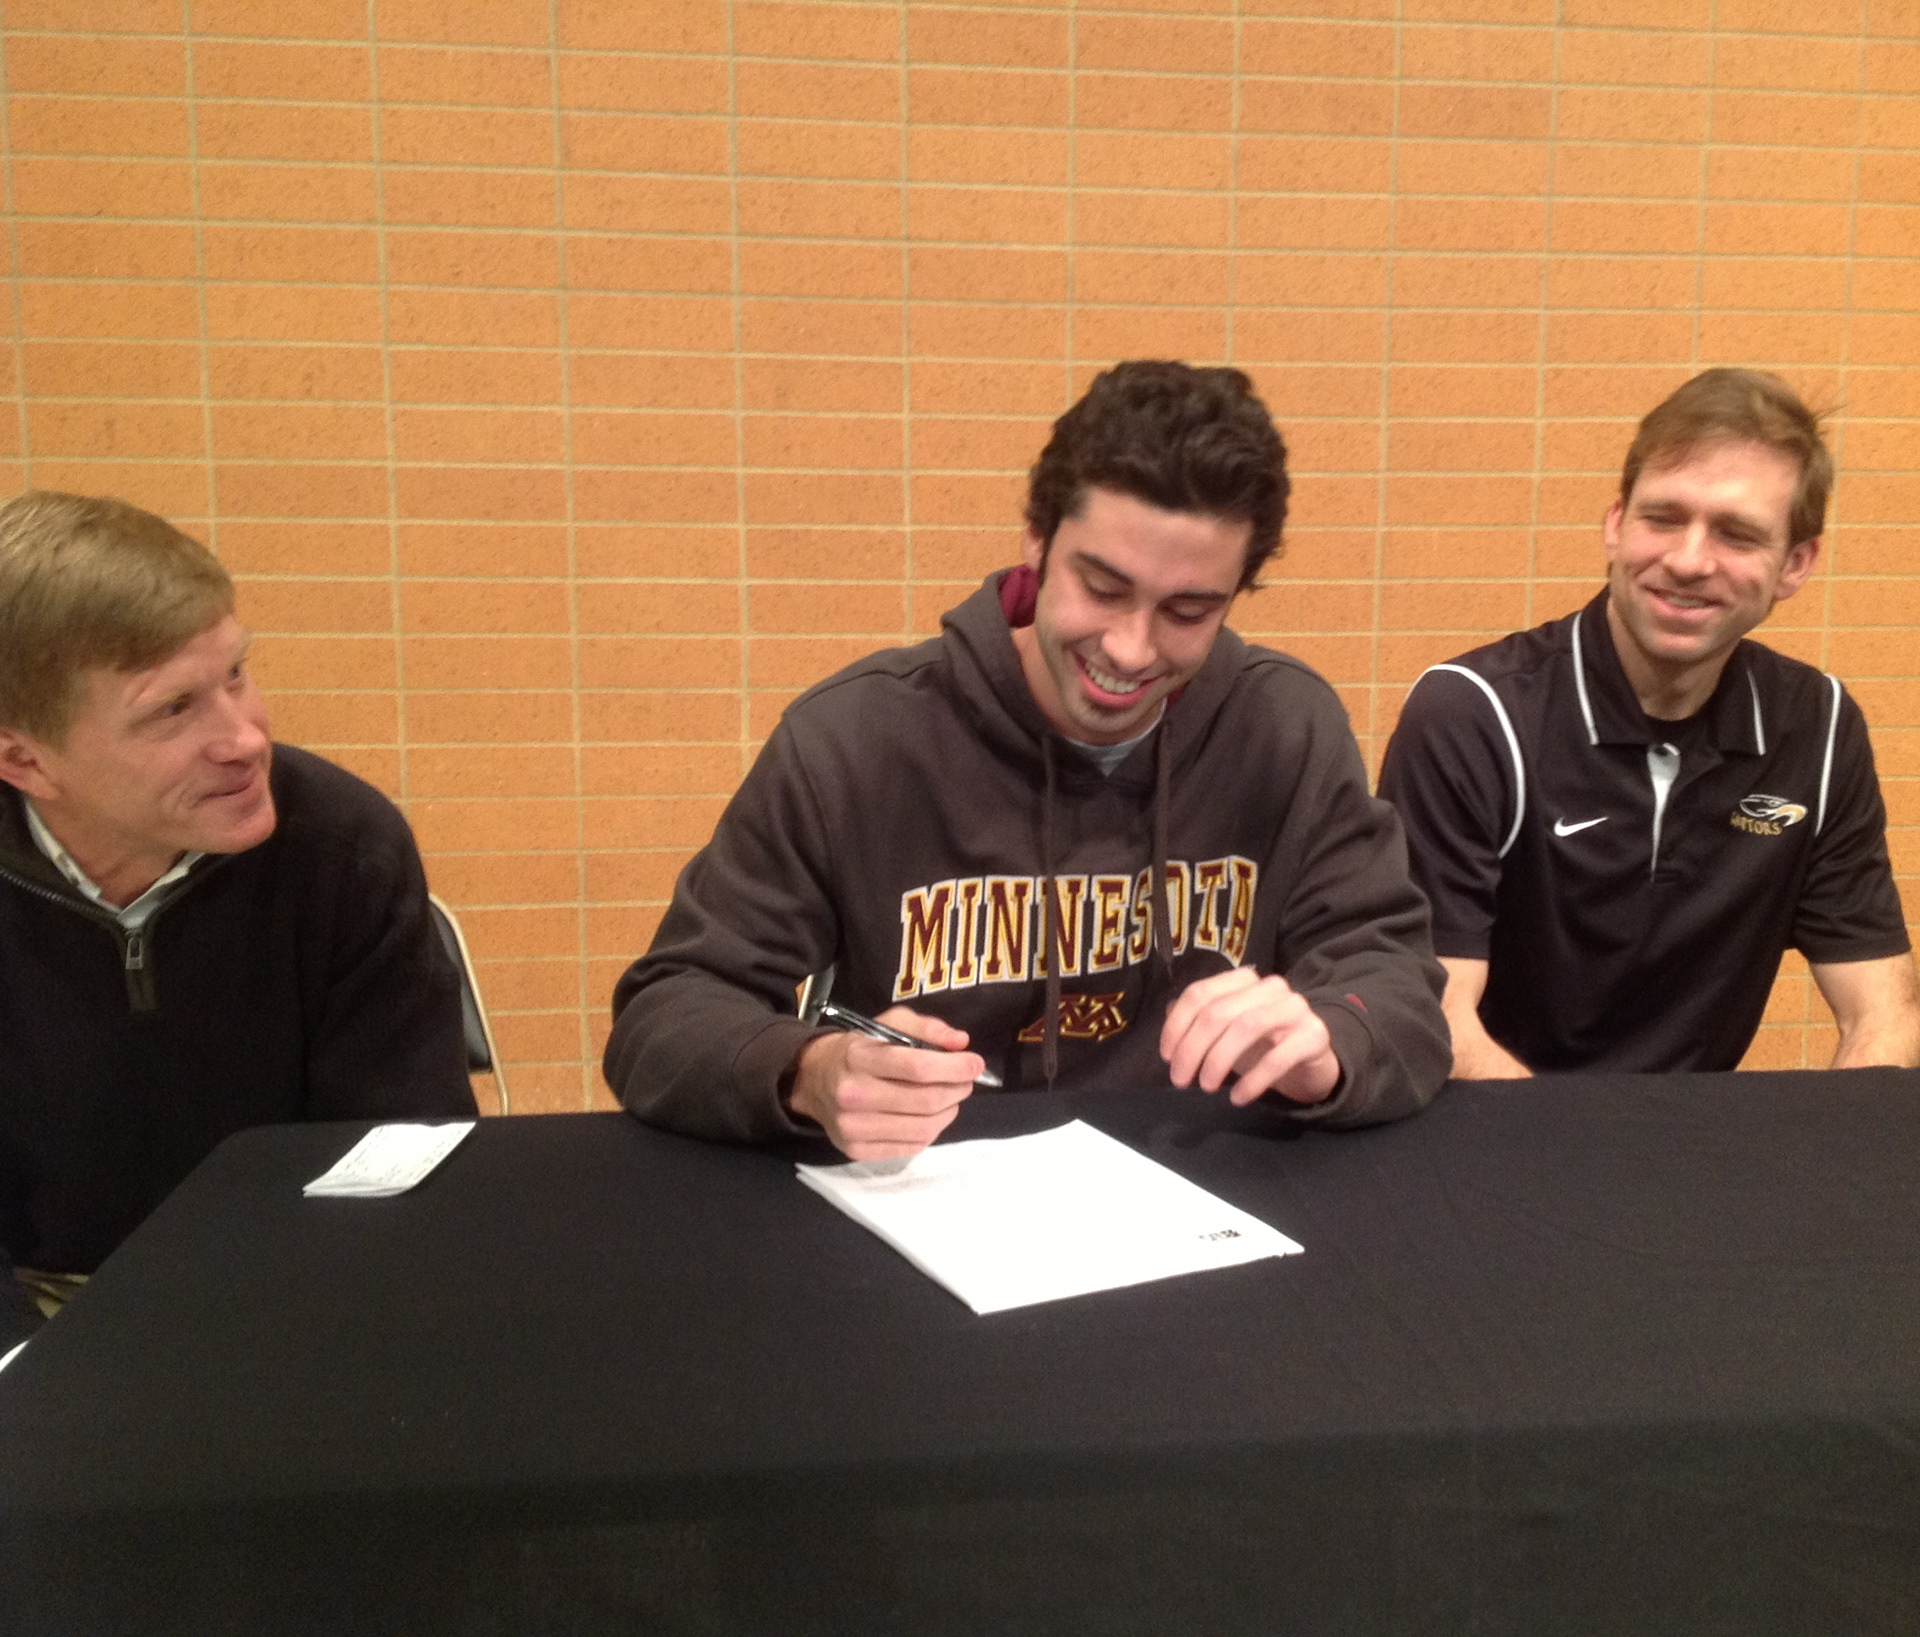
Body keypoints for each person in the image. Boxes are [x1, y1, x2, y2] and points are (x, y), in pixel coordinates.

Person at [606, 361, 1449, 1159]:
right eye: (1103, 588)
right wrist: (807, 1071)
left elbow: (1396, 986)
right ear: (1036, 542)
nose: (1131, 648)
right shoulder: (857, 739)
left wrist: (1334, 1039)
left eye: (1188, 610)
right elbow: (666, 1013)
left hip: (1204, 1194)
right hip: (926, 1193)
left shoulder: (1284, 729)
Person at [0, 492, 475, 1350]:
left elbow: (400, 1143)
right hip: (35, 1300)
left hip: (292, 1288)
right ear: (22, 759)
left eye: (235, 675)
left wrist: (317, 1336)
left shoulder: (344, 847)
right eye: (172, 710)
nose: (246, 739)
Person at [1378, 368, 1920, 1078]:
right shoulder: (1471, 714)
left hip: (1696, 1135)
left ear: (1796, 563)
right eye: (1663, 518)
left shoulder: (1818, 729)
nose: (1688, 560)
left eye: (1736, 534)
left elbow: (1884, 1014)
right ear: (1615, 525)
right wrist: (1587, 1152)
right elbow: (1436, 1020)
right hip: (1496, 1126)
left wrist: (1844, 1130)